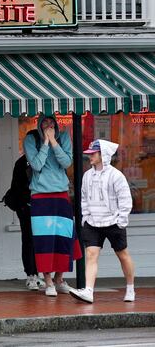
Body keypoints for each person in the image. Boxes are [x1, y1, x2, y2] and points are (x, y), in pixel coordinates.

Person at [69, 139, 135, 304]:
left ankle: (130, 287)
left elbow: (125, 200)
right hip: (93, 223)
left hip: (113, 222)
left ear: (103, 155)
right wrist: (85, 217)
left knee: (123, 255)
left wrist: (121, 221)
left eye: (93, 154)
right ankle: (89, 291)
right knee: (91, 255)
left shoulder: (116, 176)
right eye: (89, 154)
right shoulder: (87, 176)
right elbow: (83, 198)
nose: (89, 157)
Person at [23, 114, 81, 297]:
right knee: (44, 241)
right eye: (44, 122)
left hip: (61, 193)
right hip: (40, 196)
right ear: (39, 124)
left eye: (51, 122)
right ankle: (47, 281)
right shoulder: (31, 139)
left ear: (56, 123)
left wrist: (54, 142)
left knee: (65, 238)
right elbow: (37, 165)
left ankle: (59, 279)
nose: (48, 125)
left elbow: (66, 162)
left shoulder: (63, 137)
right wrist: (46, 143)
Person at [12, 131, 43, 291]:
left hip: (41, 205)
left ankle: (40, 273)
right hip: (26, 206)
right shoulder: (22, 163)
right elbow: (16, 187)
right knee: (29, 239)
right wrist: (26, 203)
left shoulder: (43, 161)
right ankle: (31, 274)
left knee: (41, 240)